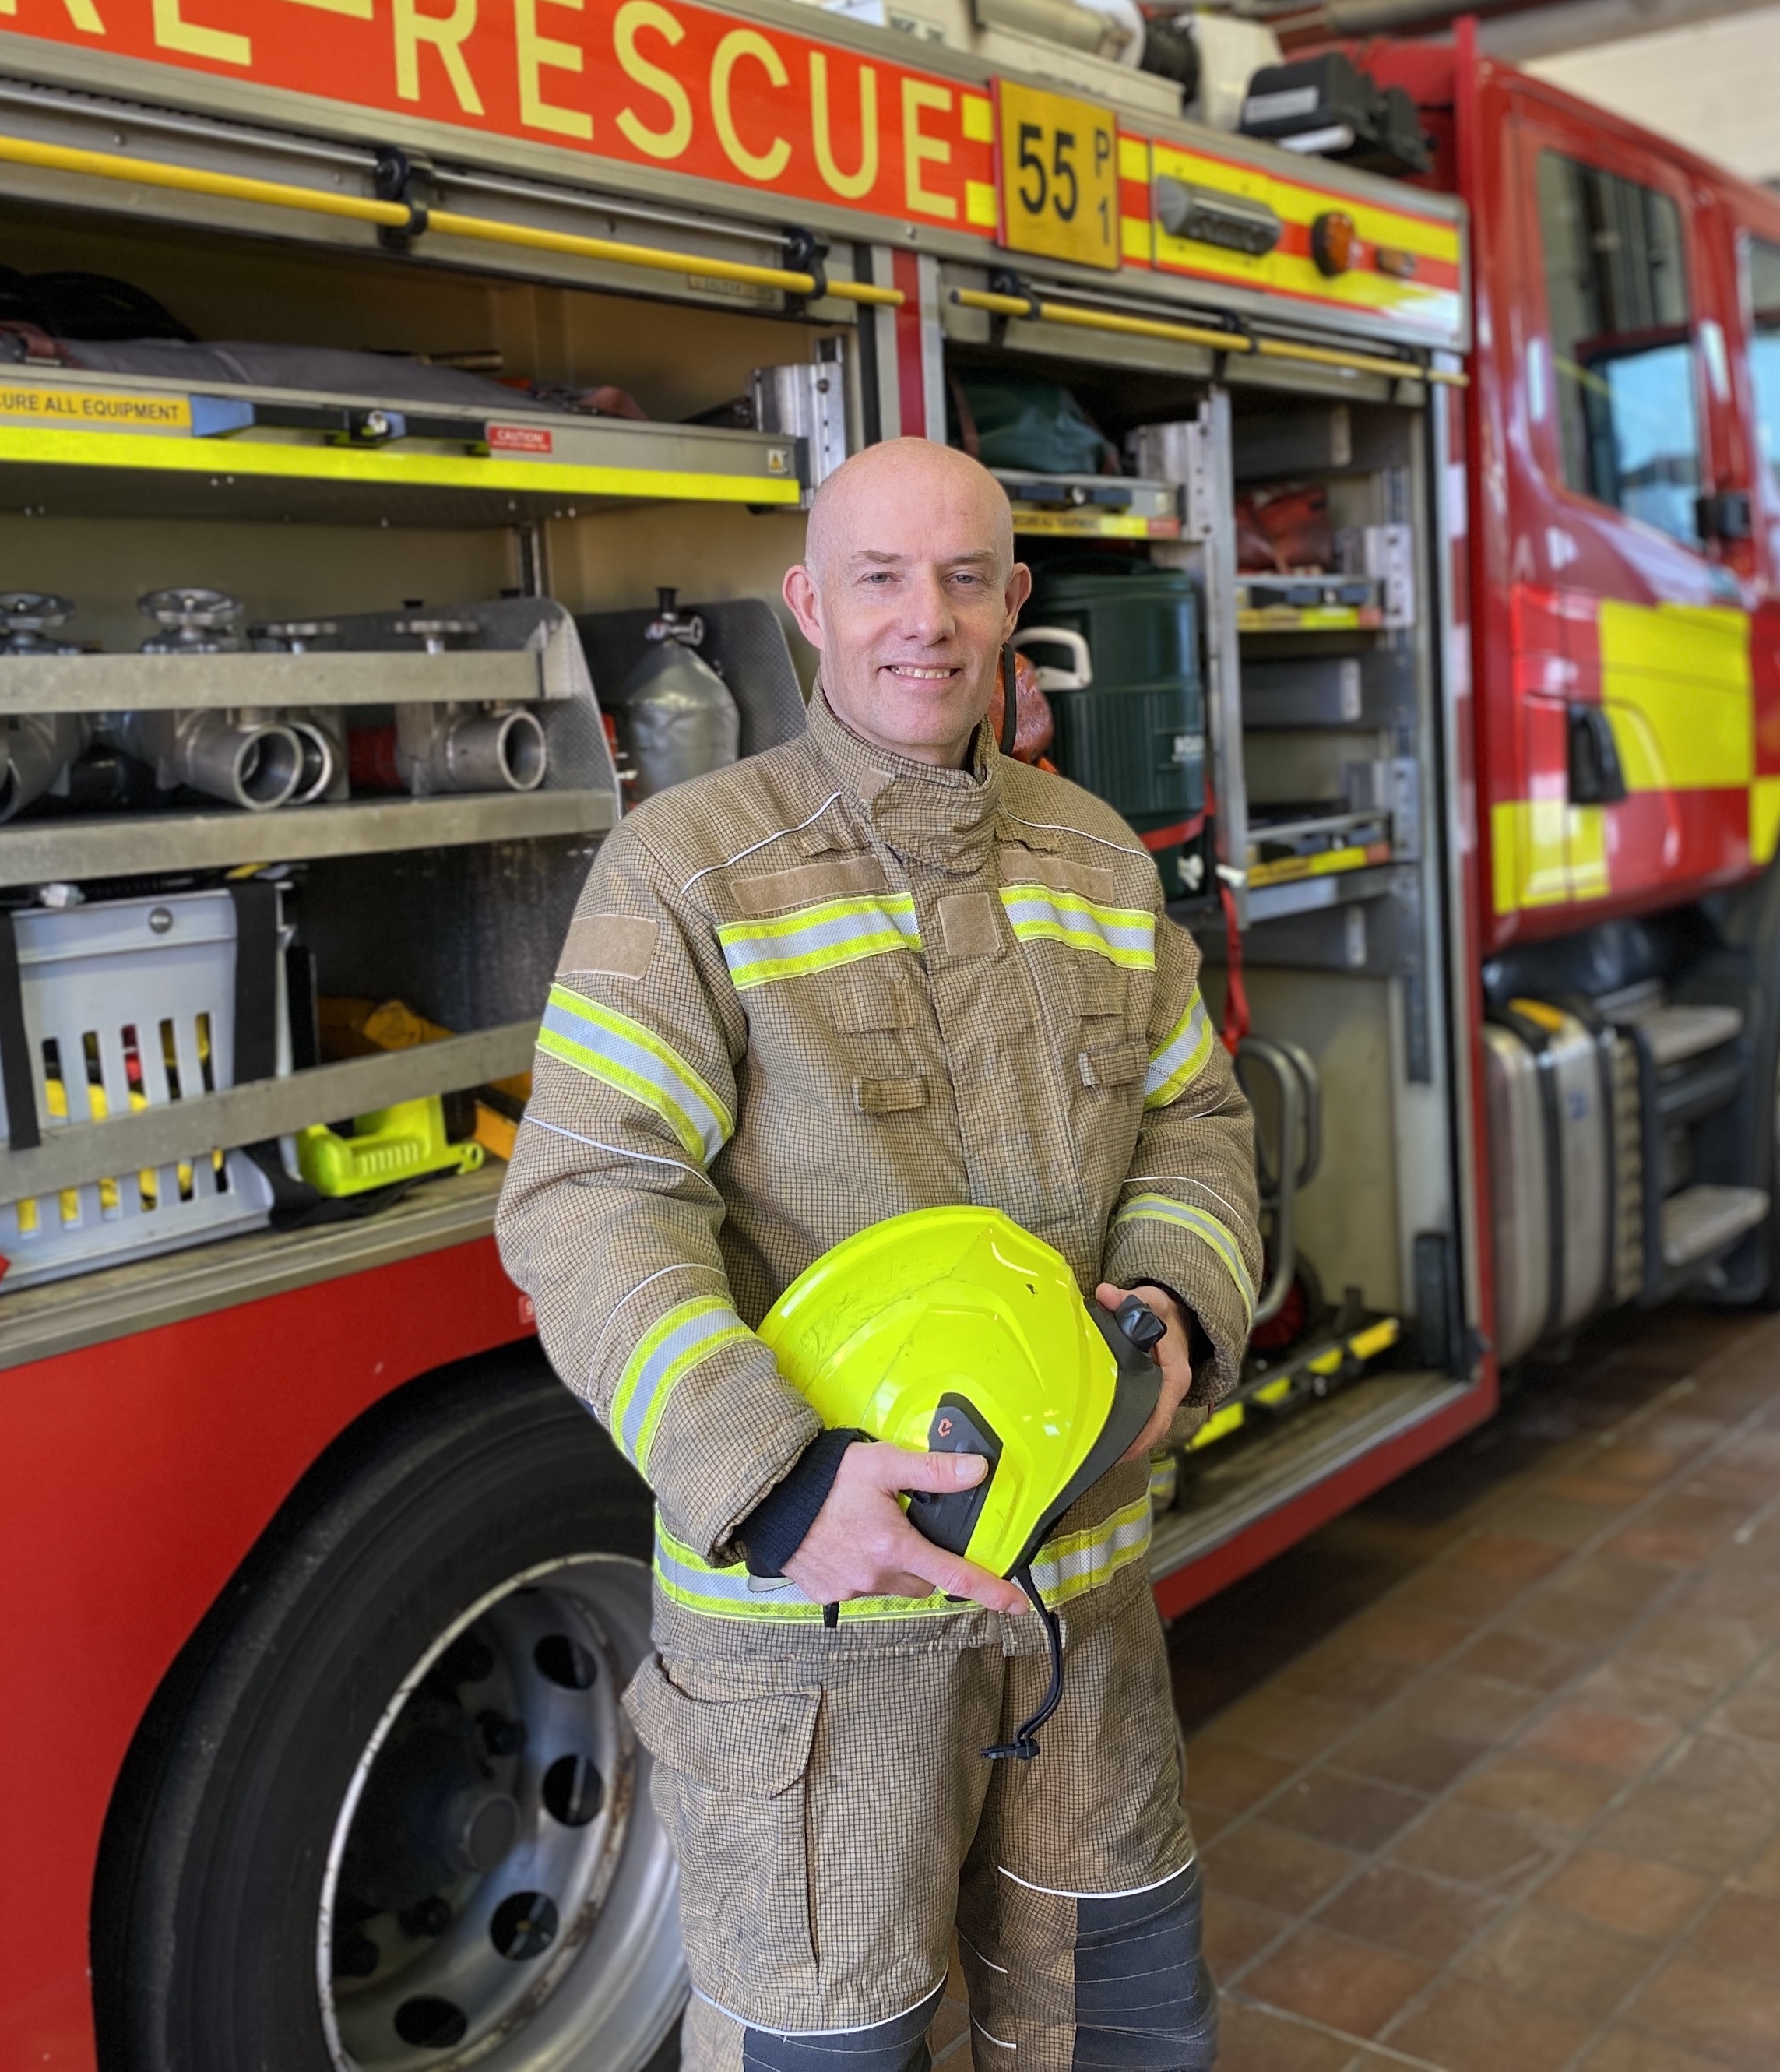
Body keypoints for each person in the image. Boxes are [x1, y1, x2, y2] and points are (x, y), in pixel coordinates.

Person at [494, 438, 1260, 2072]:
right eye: (880, 577)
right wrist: (775, 1479)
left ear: (1014, 605)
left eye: (965, 575)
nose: (927, 619)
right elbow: (584, 1199)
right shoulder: (684, 871)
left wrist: (1181, 1295)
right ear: (807, 607)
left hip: (1083, 1619)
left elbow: (1195, 1114)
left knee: (1118, 2038)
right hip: (816, 1663)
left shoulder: (1096, 861)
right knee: (831, 2049)